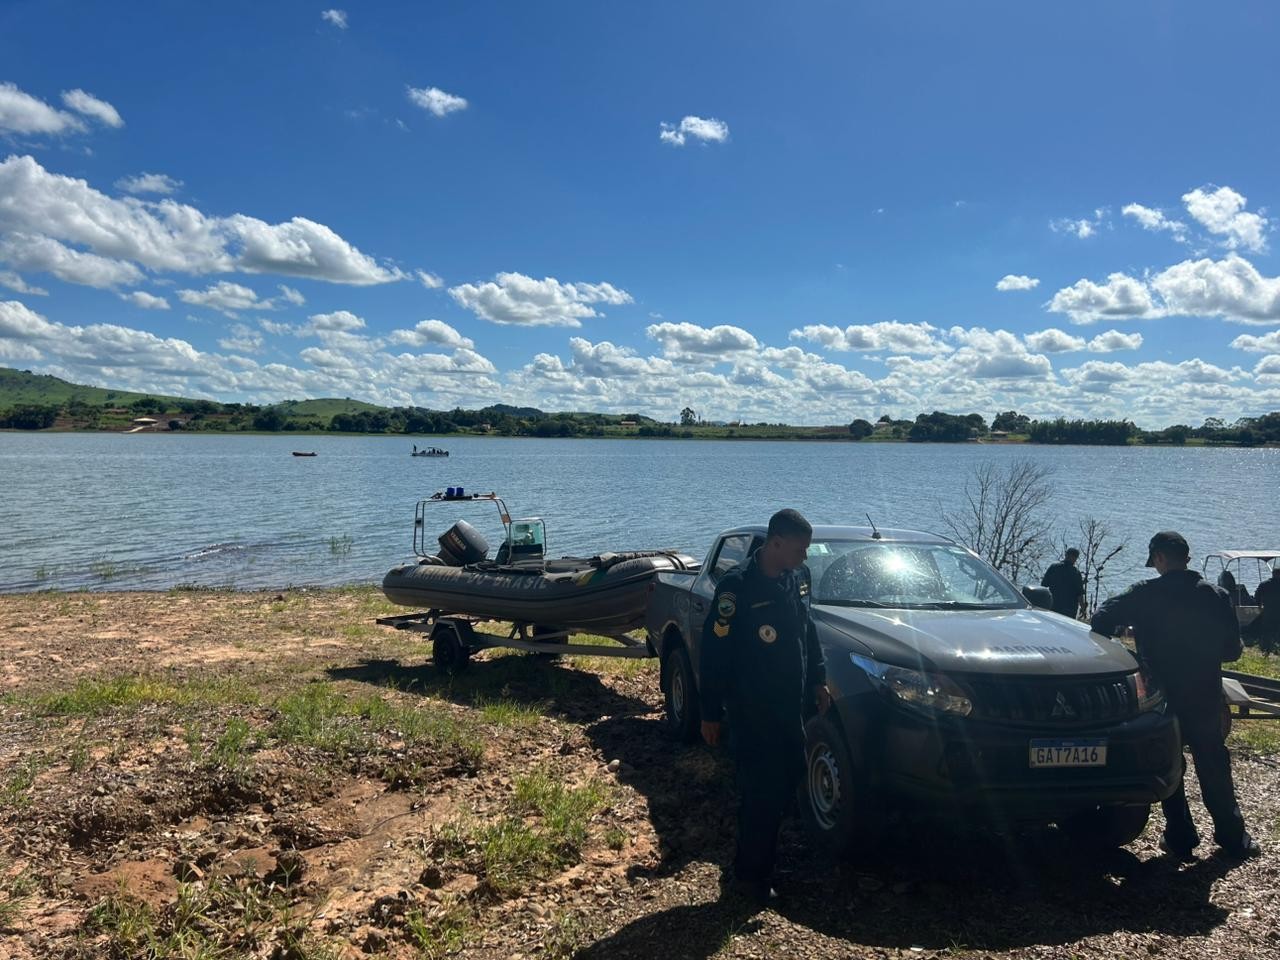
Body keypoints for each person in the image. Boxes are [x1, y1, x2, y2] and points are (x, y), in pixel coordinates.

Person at [1091, 531, 1261, 861]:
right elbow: (1232, 651)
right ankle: (1233, 837)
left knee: (1170, 763)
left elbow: (1100, 619)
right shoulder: (1216, 595)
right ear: (1187, 557)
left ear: (1158, 559)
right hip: (1204, 693)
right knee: (1213, 763)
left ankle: (1181, 836)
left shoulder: (1145, 594)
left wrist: (1130, 632)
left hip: (1162, 695)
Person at [699, 509, 831, 905]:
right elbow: (714, 653)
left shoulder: (798, 579)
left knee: (782, 789)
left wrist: (820, 679)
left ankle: (758, 860)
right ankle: (750, 880)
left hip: (792, 709)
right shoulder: (736, 589)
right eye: (799, 549)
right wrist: (709, 712)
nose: (804, 557)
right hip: (753, 712)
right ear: (775, 543)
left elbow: (808, 631)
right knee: (761, 793)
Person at [1041, 548, 1086, 619]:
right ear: (1075, 558)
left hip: (1054, 606)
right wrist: (1083, 609)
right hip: (1069, 609)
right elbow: (1079, 594)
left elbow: (1043, 585)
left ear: (1066, 555)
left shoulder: (1053, 568)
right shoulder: (1076, 573)